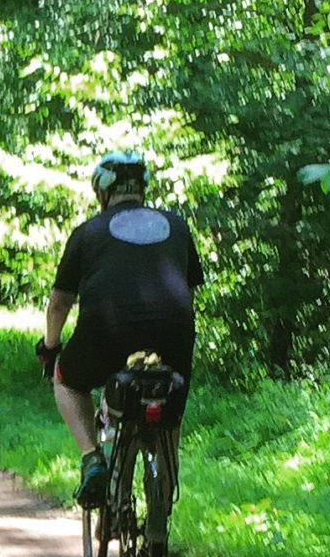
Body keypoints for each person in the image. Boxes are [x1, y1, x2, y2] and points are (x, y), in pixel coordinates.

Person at [35, 151, 204, 507]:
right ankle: (164, 492)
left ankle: (92, 460)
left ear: (102, 194)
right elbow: (187, 292)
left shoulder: (88, 232)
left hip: (106, 328)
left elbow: (59, 303)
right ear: (142, 190)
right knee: (170, 409)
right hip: (174, 329)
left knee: (66, 379)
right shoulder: (176, 225)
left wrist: (50, 348)